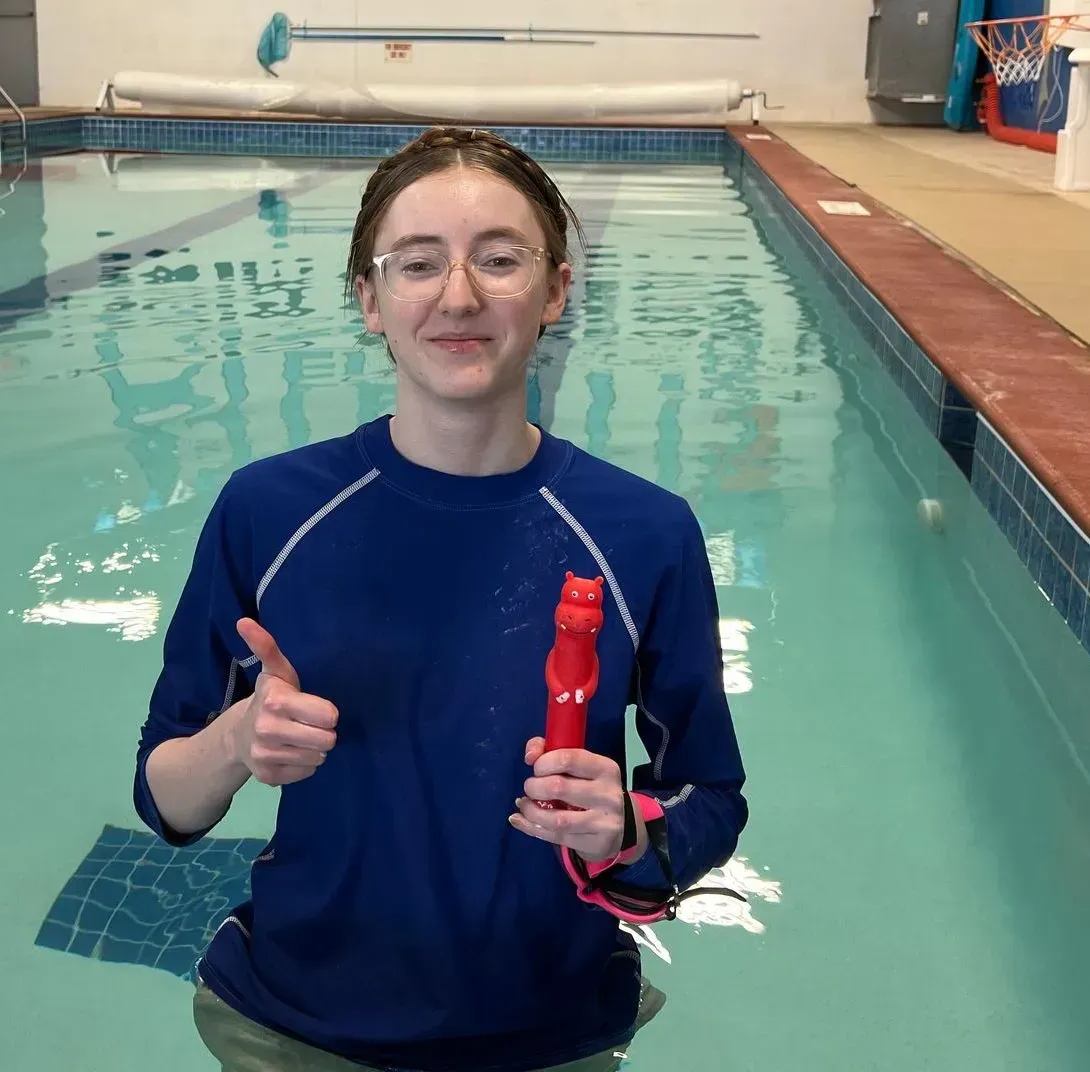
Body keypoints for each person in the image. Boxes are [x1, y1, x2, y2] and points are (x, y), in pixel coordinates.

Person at [134, 126, 749, 1072]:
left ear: (555, 289)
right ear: (369, 300)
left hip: (552, 1033)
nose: (458, 296)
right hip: (291, 1026)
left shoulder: (644, 532)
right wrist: (235, 740)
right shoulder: (269, 511)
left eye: (499, 259)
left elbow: (710, 797)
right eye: (417, 264)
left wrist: (628, 826)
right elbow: (165, 800)